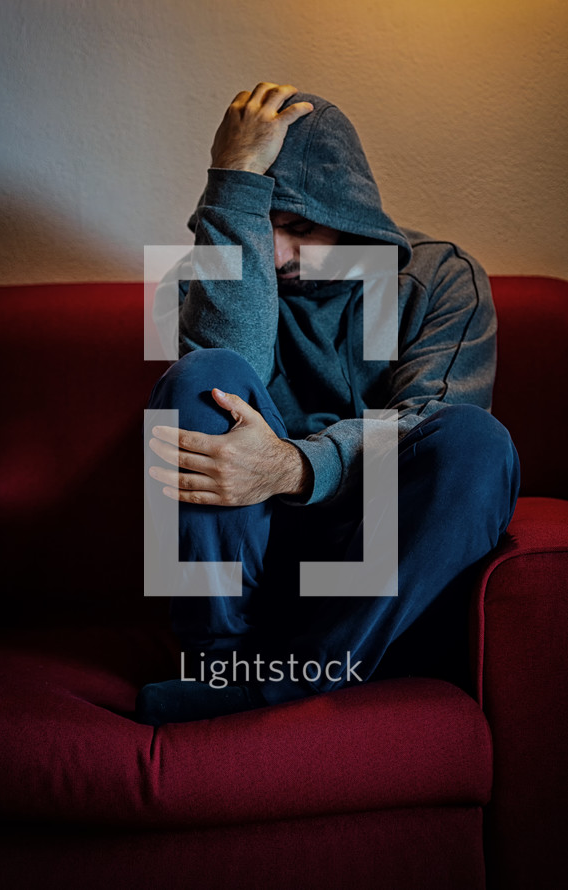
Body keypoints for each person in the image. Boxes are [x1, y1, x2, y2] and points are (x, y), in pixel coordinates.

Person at [136, 82, 520, 725]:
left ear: (350, 212)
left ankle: (293, 684)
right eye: (265, 227)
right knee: (203, 375)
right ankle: (221, 669)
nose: (279, 253)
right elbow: (225, 374)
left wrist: (293, 465)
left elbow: (430, 414)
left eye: (300, 226)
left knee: (477, 441)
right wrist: (235, 182)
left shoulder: (437, 278)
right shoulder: (209, 275)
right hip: (256, 576)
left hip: (375, 590)